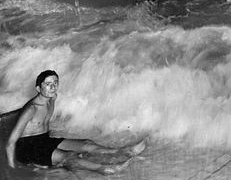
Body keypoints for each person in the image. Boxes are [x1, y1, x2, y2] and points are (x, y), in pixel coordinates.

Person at [5, 70, 146, 174]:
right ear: (38, 88)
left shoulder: (52, 98)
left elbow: (42, 125)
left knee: (87, 143)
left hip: (43, 139)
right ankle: (106, 169)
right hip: (27, 148)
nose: (53, 87)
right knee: (68, 157)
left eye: (55, 83)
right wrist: (12, 167)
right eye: (48, 84)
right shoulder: (31, 109)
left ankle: (123, 151)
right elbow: (11, 142)